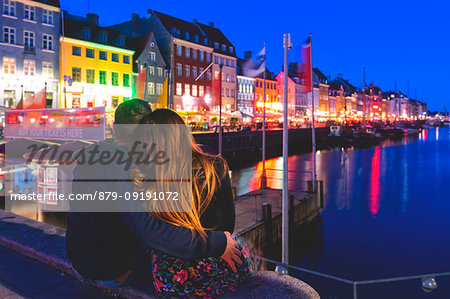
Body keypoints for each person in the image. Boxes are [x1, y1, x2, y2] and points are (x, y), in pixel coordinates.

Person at [66, 99, 241, 288]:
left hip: (79, 259)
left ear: (115, 127)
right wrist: (217, 242)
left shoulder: (100, 153)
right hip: (113, 272)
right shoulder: (129, 167)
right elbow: (151, 230)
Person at [135, 109, 254, 297]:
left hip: (173, 278)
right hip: (218, 265)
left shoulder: (143, 178)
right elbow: (228, 224)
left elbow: (149, 231)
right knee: (246, 252)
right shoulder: (215, 166)